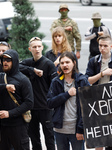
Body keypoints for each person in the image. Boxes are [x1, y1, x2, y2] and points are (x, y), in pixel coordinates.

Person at [19, 37, 57, 150]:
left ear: (42, 47)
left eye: (39, 46)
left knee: (49, 137)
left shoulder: (49, 64)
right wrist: (33, 70)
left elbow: (54, 85)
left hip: (45, 107)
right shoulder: (28, 62)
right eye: (34, 47)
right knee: (34, 138)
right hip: (31, 107)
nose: (37, 49)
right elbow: (17, 66)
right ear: (30, 49)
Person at [47, 51, 90, 150]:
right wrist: (67, 94)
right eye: (62, 63)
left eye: (67, 62)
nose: (64, 65)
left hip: (76, 130)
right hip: (59, 129)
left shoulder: (82, 81)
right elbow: (50, 103)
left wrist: (81, 129)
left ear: (74, 63)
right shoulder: (56, 81)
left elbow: (87, 107)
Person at [0, 49, 34, 150]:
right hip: (3, 126)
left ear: (14, 61)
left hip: (18, 126)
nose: (5, 62)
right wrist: (5, 87)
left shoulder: (23, 80)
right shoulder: (2, 77)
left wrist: (9, 113)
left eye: (8, 60)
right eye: (3, 59)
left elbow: (29, 103)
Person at [85, 35, 112, 150]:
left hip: (110, 101)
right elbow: (87, 81)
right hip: (97, 103)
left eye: (105, 46)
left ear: (111, 46)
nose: (102, 48)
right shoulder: (94, 61)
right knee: (99, 138)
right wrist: (102, 74)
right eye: (100, 45)